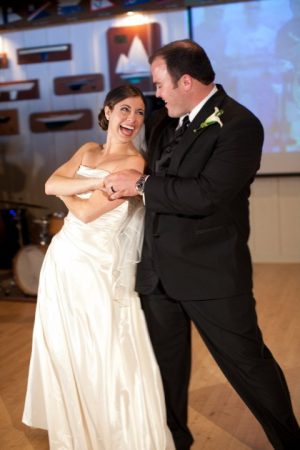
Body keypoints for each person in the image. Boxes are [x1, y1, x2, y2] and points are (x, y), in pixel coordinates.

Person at [103, 40, 300, 450]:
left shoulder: (242, 125)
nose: (155, 94)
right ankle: (176, 442)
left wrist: (140, 185)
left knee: (249, 366)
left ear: (186, 81)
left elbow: (207, 194)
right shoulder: (161, 121)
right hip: (156, 275)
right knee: (164, 372)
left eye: (160, 84)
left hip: (211, 275)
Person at [22, 85, 175, 450]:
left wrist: (66, 189)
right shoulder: (88, 150)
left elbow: (87, 212)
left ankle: (110, 433)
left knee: (100, 350)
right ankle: (77, 431)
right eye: (125, 109)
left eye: (139, 113)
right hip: (63, 263)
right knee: (65, 347)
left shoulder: (134, 164)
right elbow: (48, 183)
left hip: (97, 269)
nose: (133, 119)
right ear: (107, 112)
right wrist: (92, 182)